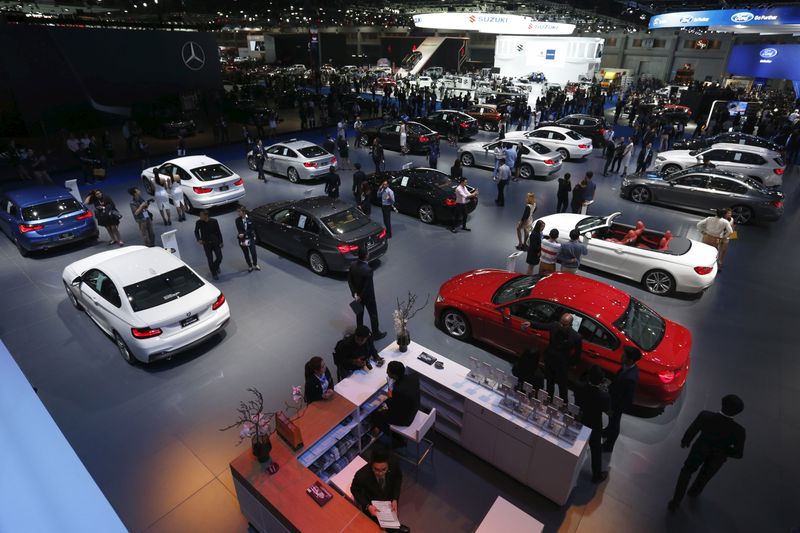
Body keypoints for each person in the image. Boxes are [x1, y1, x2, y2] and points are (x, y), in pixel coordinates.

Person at [668, 394, 746, 512]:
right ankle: (694, 492)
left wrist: (686, 441)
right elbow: (738, 453)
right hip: (718, 458)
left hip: (699, 449)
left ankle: (676, 501)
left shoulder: (705, 415)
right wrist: (723, 451)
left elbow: (693, 429)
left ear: (722, 403)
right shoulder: (739, 431)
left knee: (686, 472)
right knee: (705, 476)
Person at [522, 313, 582, 402]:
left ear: (570, 325)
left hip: (562, 364)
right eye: (560, 323)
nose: (561, 326)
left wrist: (571, 363)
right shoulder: (554, 326)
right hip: (550, 359)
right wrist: (531, 324)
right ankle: (549, 399)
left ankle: (563, 403)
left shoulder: (576, 337)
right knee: (550, 382)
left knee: (562, 385)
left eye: (564, 325)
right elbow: (542, 326)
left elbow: (577, 353)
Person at [351, 449, 404, 531]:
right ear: (371, 465)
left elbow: (398, 478)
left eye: (384, 469)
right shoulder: (361, 475)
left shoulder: (394, 465)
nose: (380, 473)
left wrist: (395, 498)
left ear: (388, 465)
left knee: (392, 528)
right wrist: (367, 506)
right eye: (376, 470)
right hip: (372, 505)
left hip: (389, 501)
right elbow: (354, 489)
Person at [603, 346, 641, 453]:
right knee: (612, 422)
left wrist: (614, 409)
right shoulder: (626, 367)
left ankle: (608, 446)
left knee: (615, 423)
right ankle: (607, 431)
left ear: (631, 360)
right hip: (614, 400)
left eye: (624, 355)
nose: (621, 356)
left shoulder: (630, 378)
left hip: (617, 405)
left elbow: (627, 399)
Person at [576, 365, 611, 483]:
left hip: (581, 420)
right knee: (596, 449)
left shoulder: (580, 387)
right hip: (595, 425)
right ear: (601, 381)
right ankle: (597, 475)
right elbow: (608, 411)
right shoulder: (604, 396)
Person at [348, 247, 386, 340]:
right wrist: (361, 296)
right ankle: (376, 334)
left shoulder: (352, 265)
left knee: (359, 315)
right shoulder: (368, 270)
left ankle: (359, 334)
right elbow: (367, 287)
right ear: (366, 256)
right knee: (373, 315)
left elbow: (350, 281)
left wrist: (355, 294)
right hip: (368, 298)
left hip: (357, 297)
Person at [371, 361, 420, 433]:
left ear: (394, 375)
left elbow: (392, 407)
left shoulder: (398, 390)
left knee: (375, 415)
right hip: (415, 408)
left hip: (406, 419)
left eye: (388, 372)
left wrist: (390, 393)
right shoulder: (413, 377)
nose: (386, 372)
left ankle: (391, 435)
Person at [194, 210, 223, 280]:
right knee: (210, 259)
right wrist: (198, 239)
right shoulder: (198, 222)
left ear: (206, 215)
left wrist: (221, 242)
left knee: (220, 257)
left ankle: (215, 266)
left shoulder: (214, 221)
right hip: (206, 244)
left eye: (201, 215)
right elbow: (196, 231)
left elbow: (218, 232)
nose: (200, 216)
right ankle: (214, 273)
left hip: (215, 242)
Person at [235, 206, 260, 272]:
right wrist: (242, 236)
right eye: (237, 211)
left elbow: (251, 228)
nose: (238, 213)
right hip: (242, 239)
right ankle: (250, 266)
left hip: (250, 238)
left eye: (239, 211)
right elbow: (239, 230)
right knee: (246, 254)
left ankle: (255, 264)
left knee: (253, 253)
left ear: (243, 212)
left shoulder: (250, 218)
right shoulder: (237, 220)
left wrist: (244, 234)